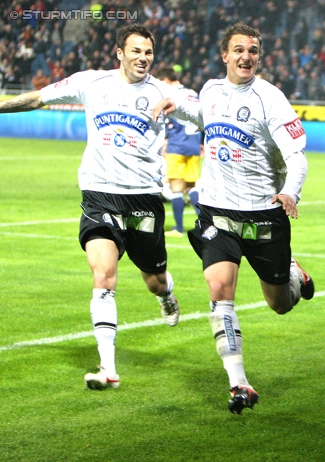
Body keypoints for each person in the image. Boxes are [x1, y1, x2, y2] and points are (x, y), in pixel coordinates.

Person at [0, 24, 193, 390]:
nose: (143, 58)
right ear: (119, 52)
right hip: (99, 194)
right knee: (103, 276)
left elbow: (203, 114)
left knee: (153, 280)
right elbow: (40, 98)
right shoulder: (91, 82)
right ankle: (108, 368)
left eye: (148, 52)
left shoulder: (164, 93)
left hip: (143, 199)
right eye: (136, 51)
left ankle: (167, 294)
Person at [153, 22, 315, 414]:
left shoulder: (271, 100)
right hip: (217, 210)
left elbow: (296, 156)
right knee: (219, 289)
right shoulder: (210, 89)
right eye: (239, 50)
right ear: (225, 55)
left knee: (279, 304)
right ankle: (239, 382)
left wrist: (290, 191)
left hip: (263, 215)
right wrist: (180, 105)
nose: (246, 57)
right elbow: (203, 115)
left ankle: (292, 273)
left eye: (253, 51)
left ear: (259, 56)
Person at [155, 66, 203, 238]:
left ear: (166, 80)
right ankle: (205, 225)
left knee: (176, 188)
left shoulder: (170, 94)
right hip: (193, 146)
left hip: (176, 145)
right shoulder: (193, 93)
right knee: (191, 187)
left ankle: (179, 228)